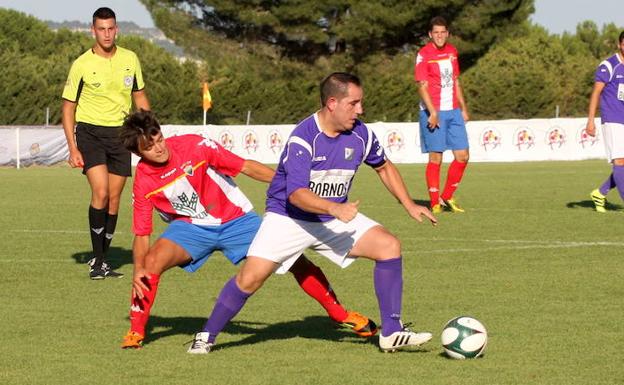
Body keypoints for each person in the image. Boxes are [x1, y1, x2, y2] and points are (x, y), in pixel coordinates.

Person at [189, 72, 437, 354]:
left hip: (331, 217)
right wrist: (334, 207)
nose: (360, 110)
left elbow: (384, 166)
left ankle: (391, 332)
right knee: (250, 278)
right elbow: (296, 194)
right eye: (354, 103)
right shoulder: (303, 138)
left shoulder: (361, 133)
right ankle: (206, 335)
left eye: (360, 103)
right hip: (288, 218)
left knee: (389, 246)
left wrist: (409, 204)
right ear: (332, 103)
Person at [117, 110, 378, 350]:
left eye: (159, 139)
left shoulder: (194, 145)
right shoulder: (142, 180)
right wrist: (138, 270)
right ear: (139, 154)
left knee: (296, 260)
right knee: (149, 264)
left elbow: (244, 166)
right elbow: (142, 232)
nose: (159, 148)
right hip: (192, 227)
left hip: (237, 220)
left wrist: (287, 181)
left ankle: (340, 314)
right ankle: (136, 332)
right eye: (149, 147)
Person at [62, 7, 151, 279]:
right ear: (93, 30)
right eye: (101, 29)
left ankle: (103, 259)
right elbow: (68, 108)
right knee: (100, 192)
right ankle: (98, 260)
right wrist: (73, 147)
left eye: (111, 28)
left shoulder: (130, 59)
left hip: (121, 136)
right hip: (90, 133)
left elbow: (140, 97)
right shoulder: (81, 64)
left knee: (114, 200)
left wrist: (149, 131)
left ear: (117, 29)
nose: (107, 33)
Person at [415, 16, 470, 214]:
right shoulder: (423, 54)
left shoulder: (452, 52)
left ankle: (447, 196)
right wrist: (432, 112)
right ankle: (434, 202)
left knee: (462, 156)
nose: (439, 36)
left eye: (442, 32)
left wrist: (463, 108)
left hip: (453, 111)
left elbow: (455, 82)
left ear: (447, 33)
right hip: (434, 111)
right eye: (435, 33)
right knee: (436, 158)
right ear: (430, 34)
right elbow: (422, 86)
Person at [586, 30, 624, 212]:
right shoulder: (609, 65)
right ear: (620, 45)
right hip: (612, 119)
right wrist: (591, 121)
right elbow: (596, 93)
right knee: (620, 162)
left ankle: (600, 193)